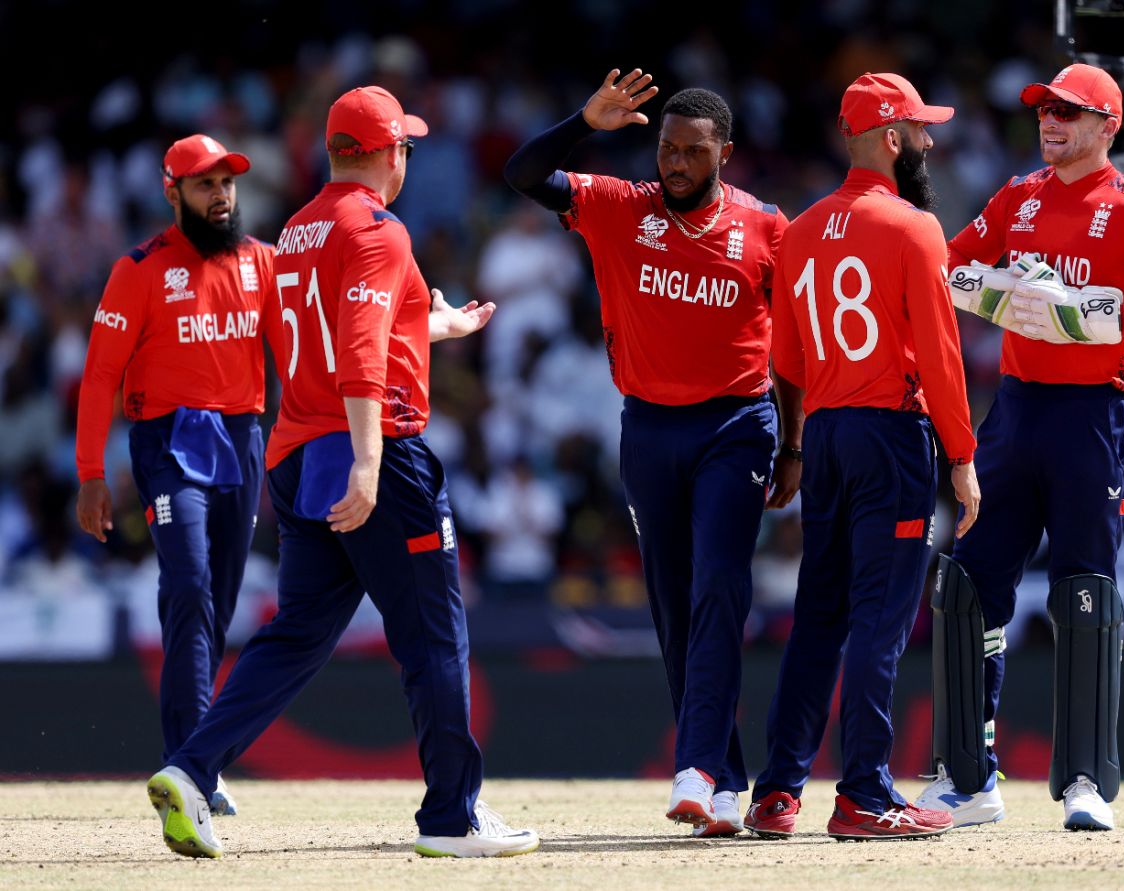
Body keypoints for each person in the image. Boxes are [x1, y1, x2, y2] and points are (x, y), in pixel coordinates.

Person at [144, 85, 539, 860]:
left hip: (295, 455)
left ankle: (191, 768)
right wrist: (368, 459)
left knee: (296, 634)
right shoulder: (379, 231)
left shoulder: (296, 229)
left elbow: (367, 324)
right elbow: (360, 349)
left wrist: (448, 322)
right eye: (406, 147)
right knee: (434, 632)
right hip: (371, 449)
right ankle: (452, 816)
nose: (408, 160)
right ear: (389, 152)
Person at [919, 62, 1124, 831]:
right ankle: (966, 778)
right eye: (1046, 110)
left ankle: (1086, 779)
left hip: (1094, 419)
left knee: (1085, 594)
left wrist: (1103, 316)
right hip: (1015, 414)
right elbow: (946, 267)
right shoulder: (1017, 196)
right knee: (965, 588)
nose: (1051, 122)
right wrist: (997, 296)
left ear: (1107, 127)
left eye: (1070, 113)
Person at [505, 69, 801, 837]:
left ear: (724, 154)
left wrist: (795, 441)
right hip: (648, 429)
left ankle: (696, 765)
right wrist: (584, 120)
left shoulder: (767, 227)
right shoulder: (617, 206)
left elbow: (794, 347)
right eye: (667, 149)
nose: (673, 163)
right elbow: (523, 173)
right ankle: (724, 782)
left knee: (720, 588)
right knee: (674, 607)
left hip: (737, 426)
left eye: (691, 153)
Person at [743, 73, 980, 842]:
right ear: (889, 137)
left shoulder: (800, 230)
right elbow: (942, 356)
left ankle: (777, 790)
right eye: (918, 128)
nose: (929, 142)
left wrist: (796, 443)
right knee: (881, 618)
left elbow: (787, 360)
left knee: (820, 615)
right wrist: (963, 456)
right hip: (891, 436)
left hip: (829, 435)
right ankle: (866, 791)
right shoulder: (914, 228)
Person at [76, 134, 275, 817]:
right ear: (172, 193)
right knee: (187, 583)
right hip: (167, 439)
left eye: (227, 184)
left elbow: (316, 333)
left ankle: (195, 759)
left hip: (242, 436)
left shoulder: (261, 263)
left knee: (214, 601)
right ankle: (193, 766)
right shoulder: (138, 268)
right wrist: (90, 473)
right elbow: (100, 373)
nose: (221, 196)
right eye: (203, 185)